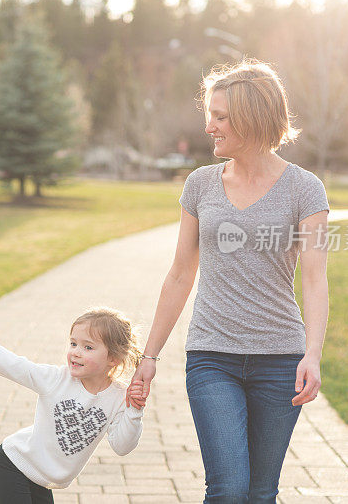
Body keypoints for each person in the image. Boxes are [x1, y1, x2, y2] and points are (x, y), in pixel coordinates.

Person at [127, 59, 330, 503]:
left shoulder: (305, 189)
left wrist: (312, 354)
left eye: (220, 118)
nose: (211, 127)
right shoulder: (201, 185)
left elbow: (315, 279)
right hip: (211, 356)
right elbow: (181, 273)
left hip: (280, 360)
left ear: (251, 119)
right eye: (211, 116)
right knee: (229, 488)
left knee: (260, 493)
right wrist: (150, 355)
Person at [0, 307, 146, 503]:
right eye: (73, 344)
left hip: (41, 479)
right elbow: (11, 364)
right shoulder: (56, 379)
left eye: (88, 347)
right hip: (12, 463)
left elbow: (121, 447)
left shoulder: (119, 397)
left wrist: (134, 410)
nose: (76, 352)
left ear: (113, 358)